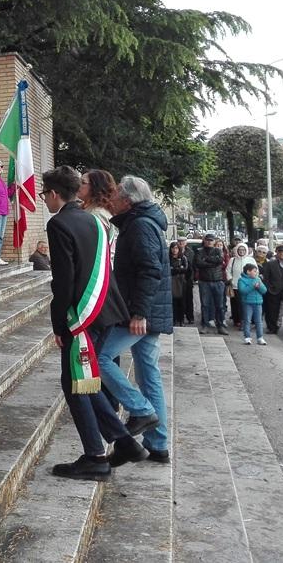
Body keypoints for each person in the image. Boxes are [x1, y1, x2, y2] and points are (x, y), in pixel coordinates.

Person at [42, 166, 147, 481]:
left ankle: (95, 457)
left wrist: (61, 325)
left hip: (82, 316)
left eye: (44, 194)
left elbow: (64, 281)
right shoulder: (94, 221)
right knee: (84, 381)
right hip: (105, 311)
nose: (44, 200)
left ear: (55, 194)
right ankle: (124, 441)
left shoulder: (60, 223)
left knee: (76, 385)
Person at [98, 175, 172, 464]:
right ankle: (159, 443)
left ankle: (141, 410)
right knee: (149, 375)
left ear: (128, 201)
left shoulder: (140, 225)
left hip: (142, 314)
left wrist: (139, 312)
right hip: (147, 311)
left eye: (116, 194)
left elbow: (149, 271)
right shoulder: (143, 222)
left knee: (100, 357)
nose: (111, 198)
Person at [193, 233, 227, 335]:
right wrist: (212, 262)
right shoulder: (199, 251)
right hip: (204, 281)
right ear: (204, 240)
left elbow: (220, 260)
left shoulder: (218, 250)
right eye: (207, 240)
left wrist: (206, 259)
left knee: (220, 305)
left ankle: (220, 325)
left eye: (211, 240)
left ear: (214, 241)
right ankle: (205, 325)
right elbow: (198, 263)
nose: (209, 242)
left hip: (218, 281)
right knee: (205, 305)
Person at [236, 261, 267, 345]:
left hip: (258, 303)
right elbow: (243, 291)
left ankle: (260, 337)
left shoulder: (258, 279)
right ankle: (247, 337)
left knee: (259, 321)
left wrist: (259, 286)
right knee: (247, 320)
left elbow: (264, 290)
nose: (256, 273)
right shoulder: (241, 280)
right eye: (254, 271)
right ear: (248, 271)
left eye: (256, 271)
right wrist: (253, 286)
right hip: (247, 303)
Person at [226, 242, 251, 328]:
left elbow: (256, 271)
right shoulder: (232, 260)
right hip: (235, 285)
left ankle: (244, 320)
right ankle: (236, 320)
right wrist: (230, 279)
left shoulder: (250, 260)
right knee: (235, 304)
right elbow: (228, 271)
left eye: (243, 250)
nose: (241, 251)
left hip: (247, 286)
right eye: (240, 250)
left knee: (244, 304)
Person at [169, 241, 189, 326]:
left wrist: (175, 269)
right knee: (173, 302)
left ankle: (181, 320)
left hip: (181, 282)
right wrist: (178, 269)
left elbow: (186, 269)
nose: (174, 250)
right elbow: (168, 270)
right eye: (173, 248)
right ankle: (173, 319)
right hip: (171, 281)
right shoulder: (168, 258)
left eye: (176, 248)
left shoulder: (183, 258)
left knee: (182, 301)